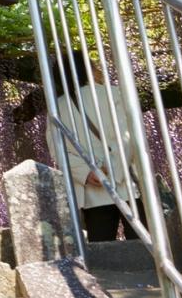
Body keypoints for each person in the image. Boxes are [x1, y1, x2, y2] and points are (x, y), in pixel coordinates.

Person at [46, 48, 143, 241]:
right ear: (89, 69)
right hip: (126, 187)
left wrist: (88, 173)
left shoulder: (56, 108)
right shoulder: (114, 93)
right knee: (142, 245)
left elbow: (58, 151)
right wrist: (112, 173)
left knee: (103, 254)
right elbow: (128, 137)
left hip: (93, 194)